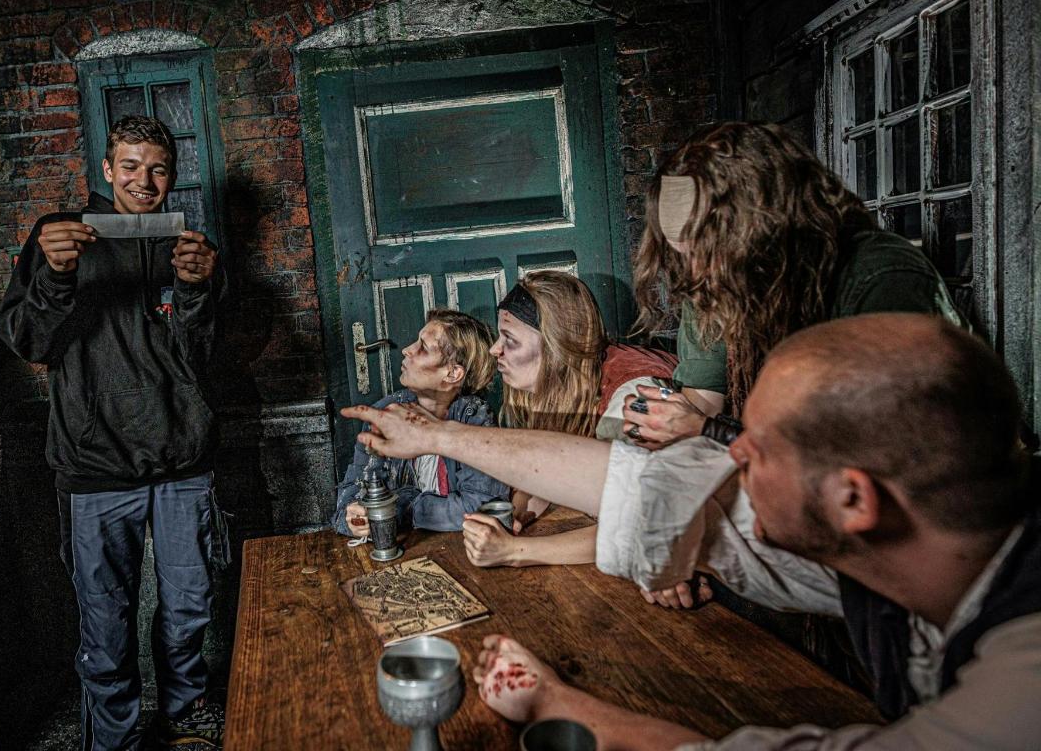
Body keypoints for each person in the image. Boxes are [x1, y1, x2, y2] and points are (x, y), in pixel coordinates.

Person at [349, 314, 1041, 749]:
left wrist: (561, 704)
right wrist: (437, 435)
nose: (729, 455)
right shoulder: (921, 539)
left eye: (758, 449)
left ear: (854, 498)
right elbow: (641, 488)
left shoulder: (1020, 696)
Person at [0, 115, 225, 751]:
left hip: (181, 459)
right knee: (105, 622)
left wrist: (198, 290)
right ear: (106, 168)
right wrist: (55, 275)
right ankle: (115, 739)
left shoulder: (190, 245)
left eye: (157, 169)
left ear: (172, 176)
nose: (143, 181)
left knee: (189, 607)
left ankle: (184, 712)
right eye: (129, 166)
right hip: (95, 466)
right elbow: (28, 342)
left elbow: (203, 357)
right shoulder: (60, 236)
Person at [621, 121, 965, 451]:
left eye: (710, 253)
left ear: (767, 229)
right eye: (684, 256)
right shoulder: (713, 279)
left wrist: (709, 431)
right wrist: (666, 422)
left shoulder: (881, 278)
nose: (698, 273)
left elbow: (879, 449)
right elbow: (702, 399)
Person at [460, 270, 676, 568]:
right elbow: (549, 470)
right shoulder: (564, 383)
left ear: (557, 347)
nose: (494, 349)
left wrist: (513, 551)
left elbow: (638, 526)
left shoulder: (633, 397)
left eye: (509, 339)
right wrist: (514, 513)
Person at [332, 308, 507, 536]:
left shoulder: (474, 419)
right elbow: (349, 496)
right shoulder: (385, 414)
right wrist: (353, 517)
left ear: (452, 374)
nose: (407, 350)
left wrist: (402, 507)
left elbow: (480, 507)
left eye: (423, 347)